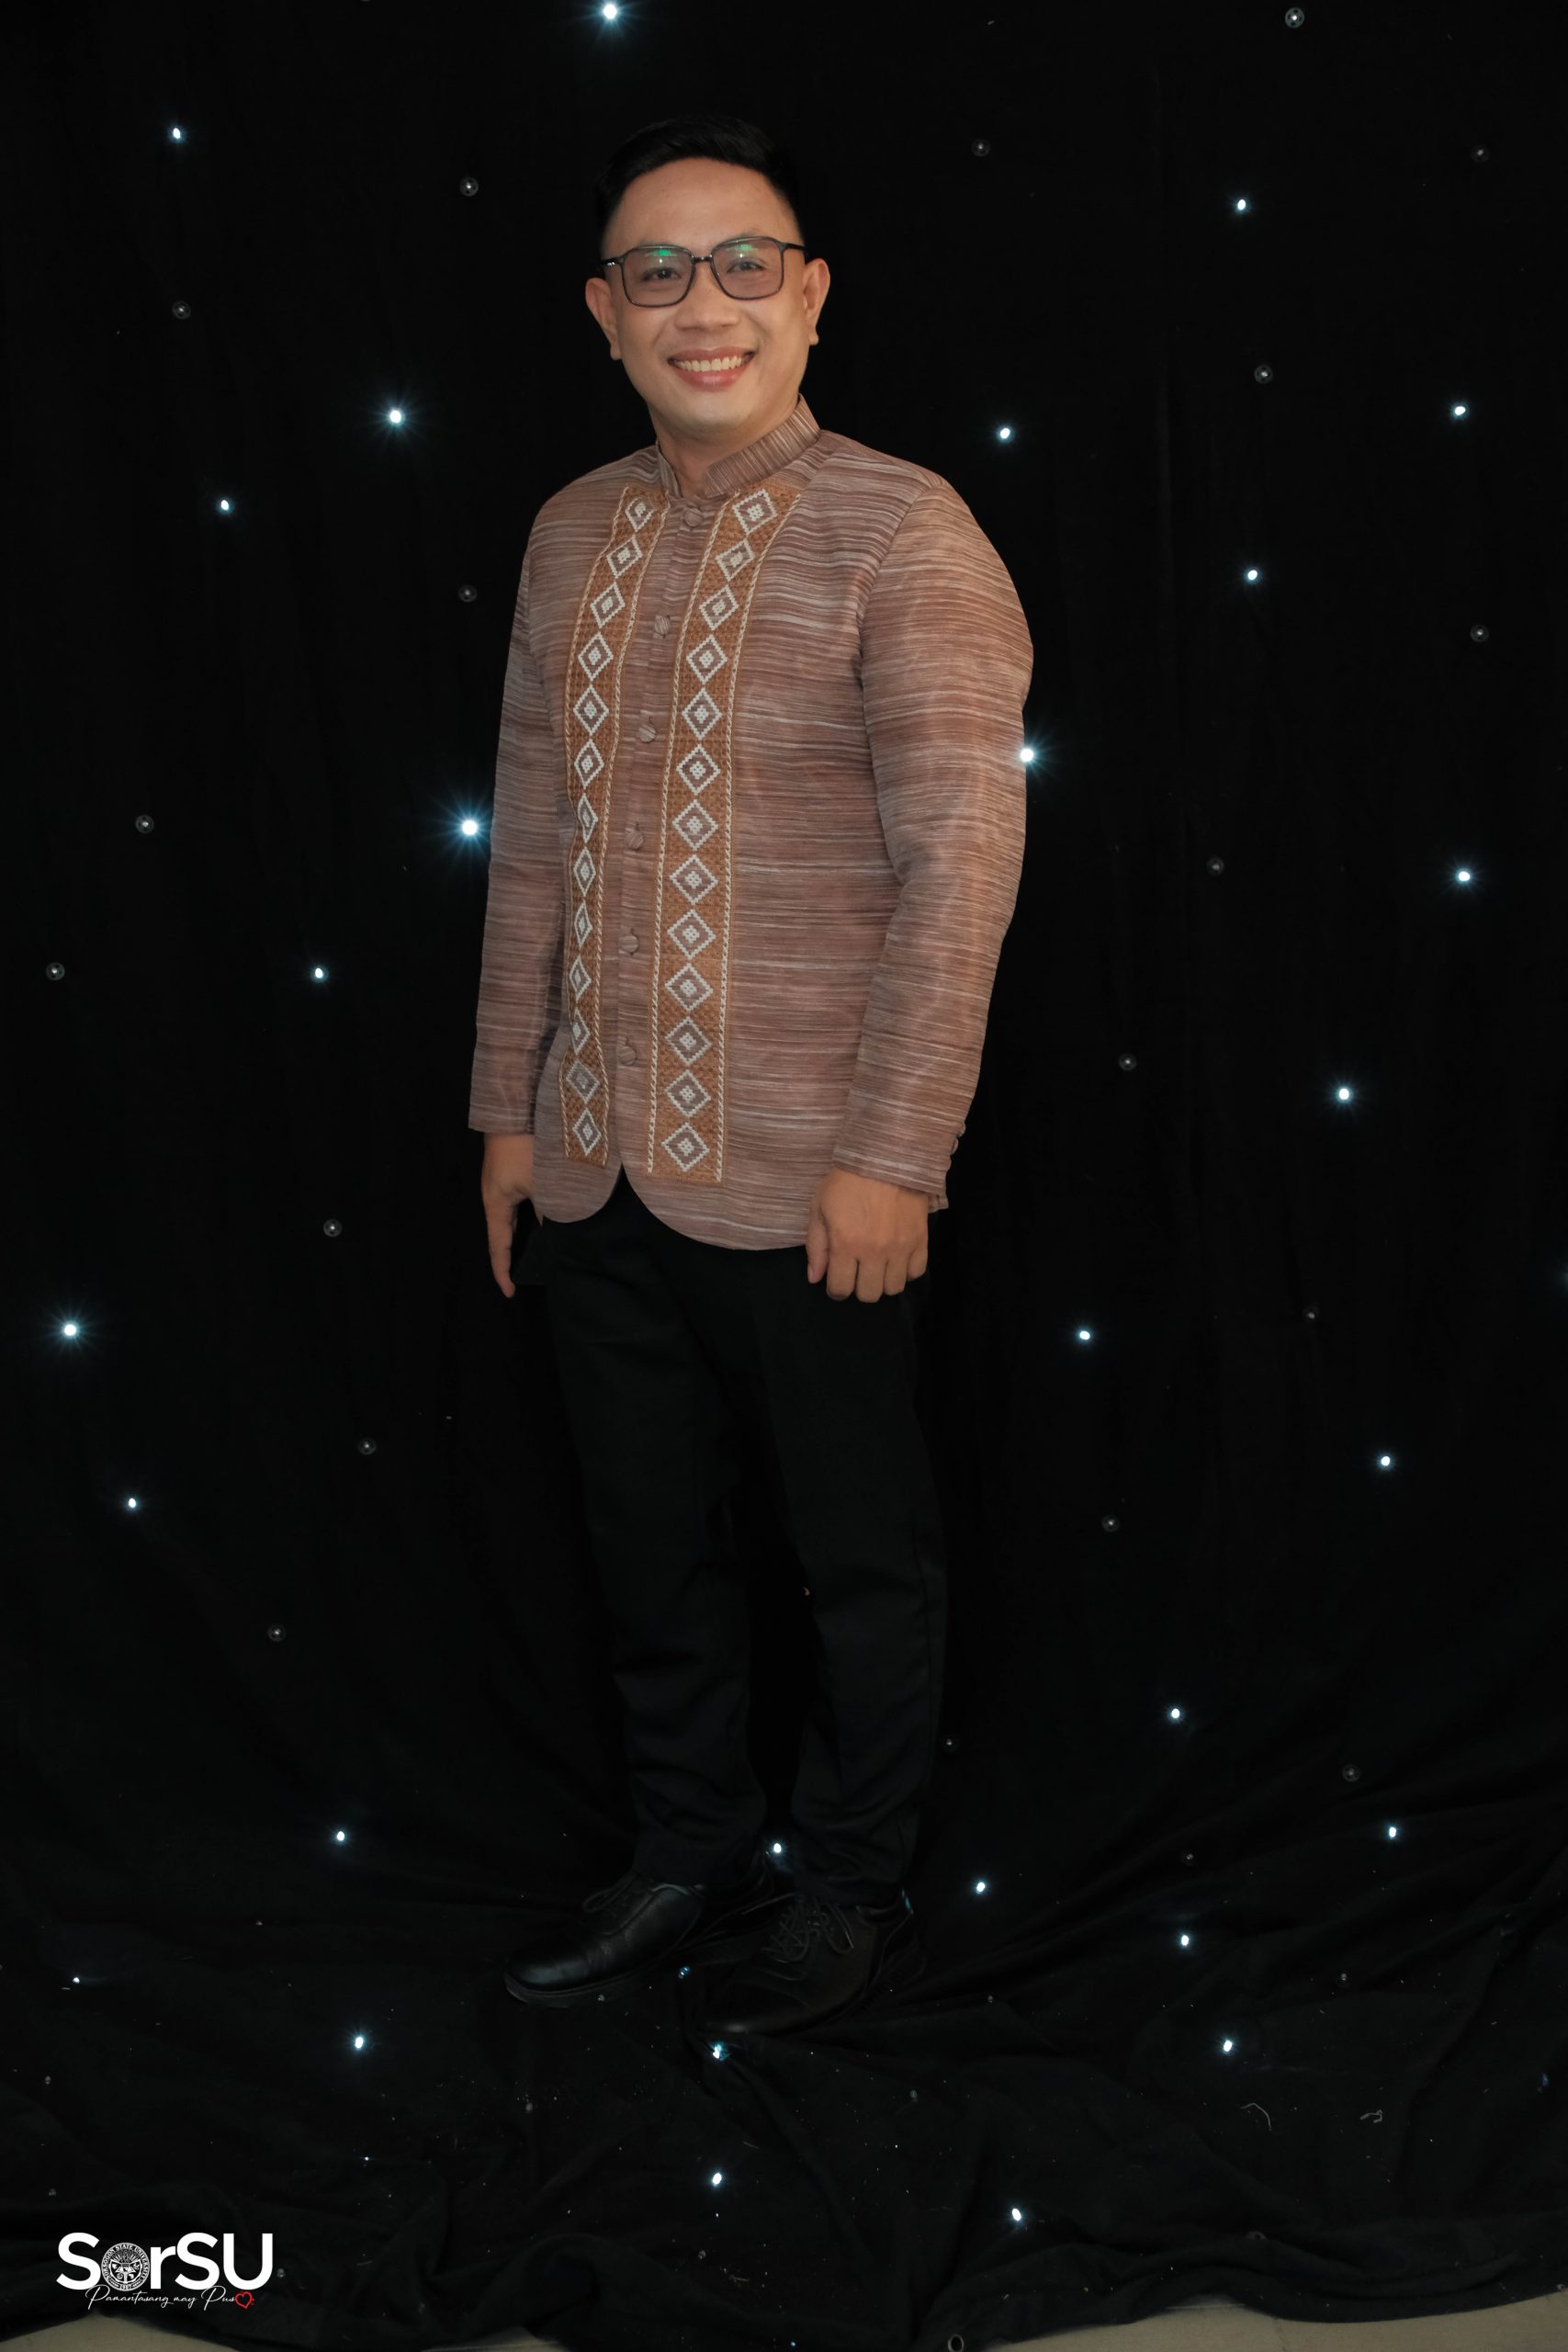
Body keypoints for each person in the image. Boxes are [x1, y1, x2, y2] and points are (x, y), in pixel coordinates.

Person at [468, 112, 1033, 2038]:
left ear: (808, 297)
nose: (698, 304)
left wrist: (896, 1151)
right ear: (603, 312)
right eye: (656, 270)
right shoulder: (568, 531)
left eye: (740, 265)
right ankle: (685, 1846)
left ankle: (848, 1882)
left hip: (815, 1173)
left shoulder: (905, 528)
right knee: (649, 1546)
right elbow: (530, 841)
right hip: (594, 1158)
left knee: (855, 1556)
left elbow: (963, 865)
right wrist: (506, 1105)